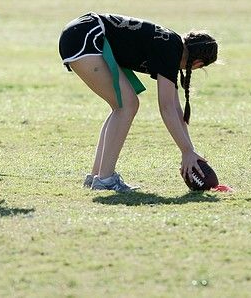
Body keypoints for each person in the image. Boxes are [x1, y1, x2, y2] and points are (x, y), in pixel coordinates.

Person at [58, 13, 218, 192]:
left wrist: (189, 150)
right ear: (197, 63)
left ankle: (97, 176)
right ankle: (105, 179)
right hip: (87, 36)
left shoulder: (171, 44)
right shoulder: (171, 49)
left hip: (81, 33)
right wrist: (187, 151)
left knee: (124, 105)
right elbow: (166, 107)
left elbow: (174, 107)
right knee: (127, 105)